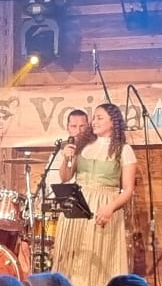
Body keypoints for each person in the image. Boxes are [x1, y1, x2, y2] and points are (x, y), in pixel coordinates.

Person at [54, 103, 137, 286]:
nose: (94, 122)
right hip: (77, 205)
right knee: (73, 259)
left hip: (103, 207)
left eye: (99, 118)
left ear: (113, 122)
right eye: (94, 118)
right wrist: (66, 158)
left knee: (99, 261)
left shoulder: (124, 150)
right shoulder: (83, 145)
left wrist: (110, 208)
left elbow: (128, 189)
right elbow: (65, 177)